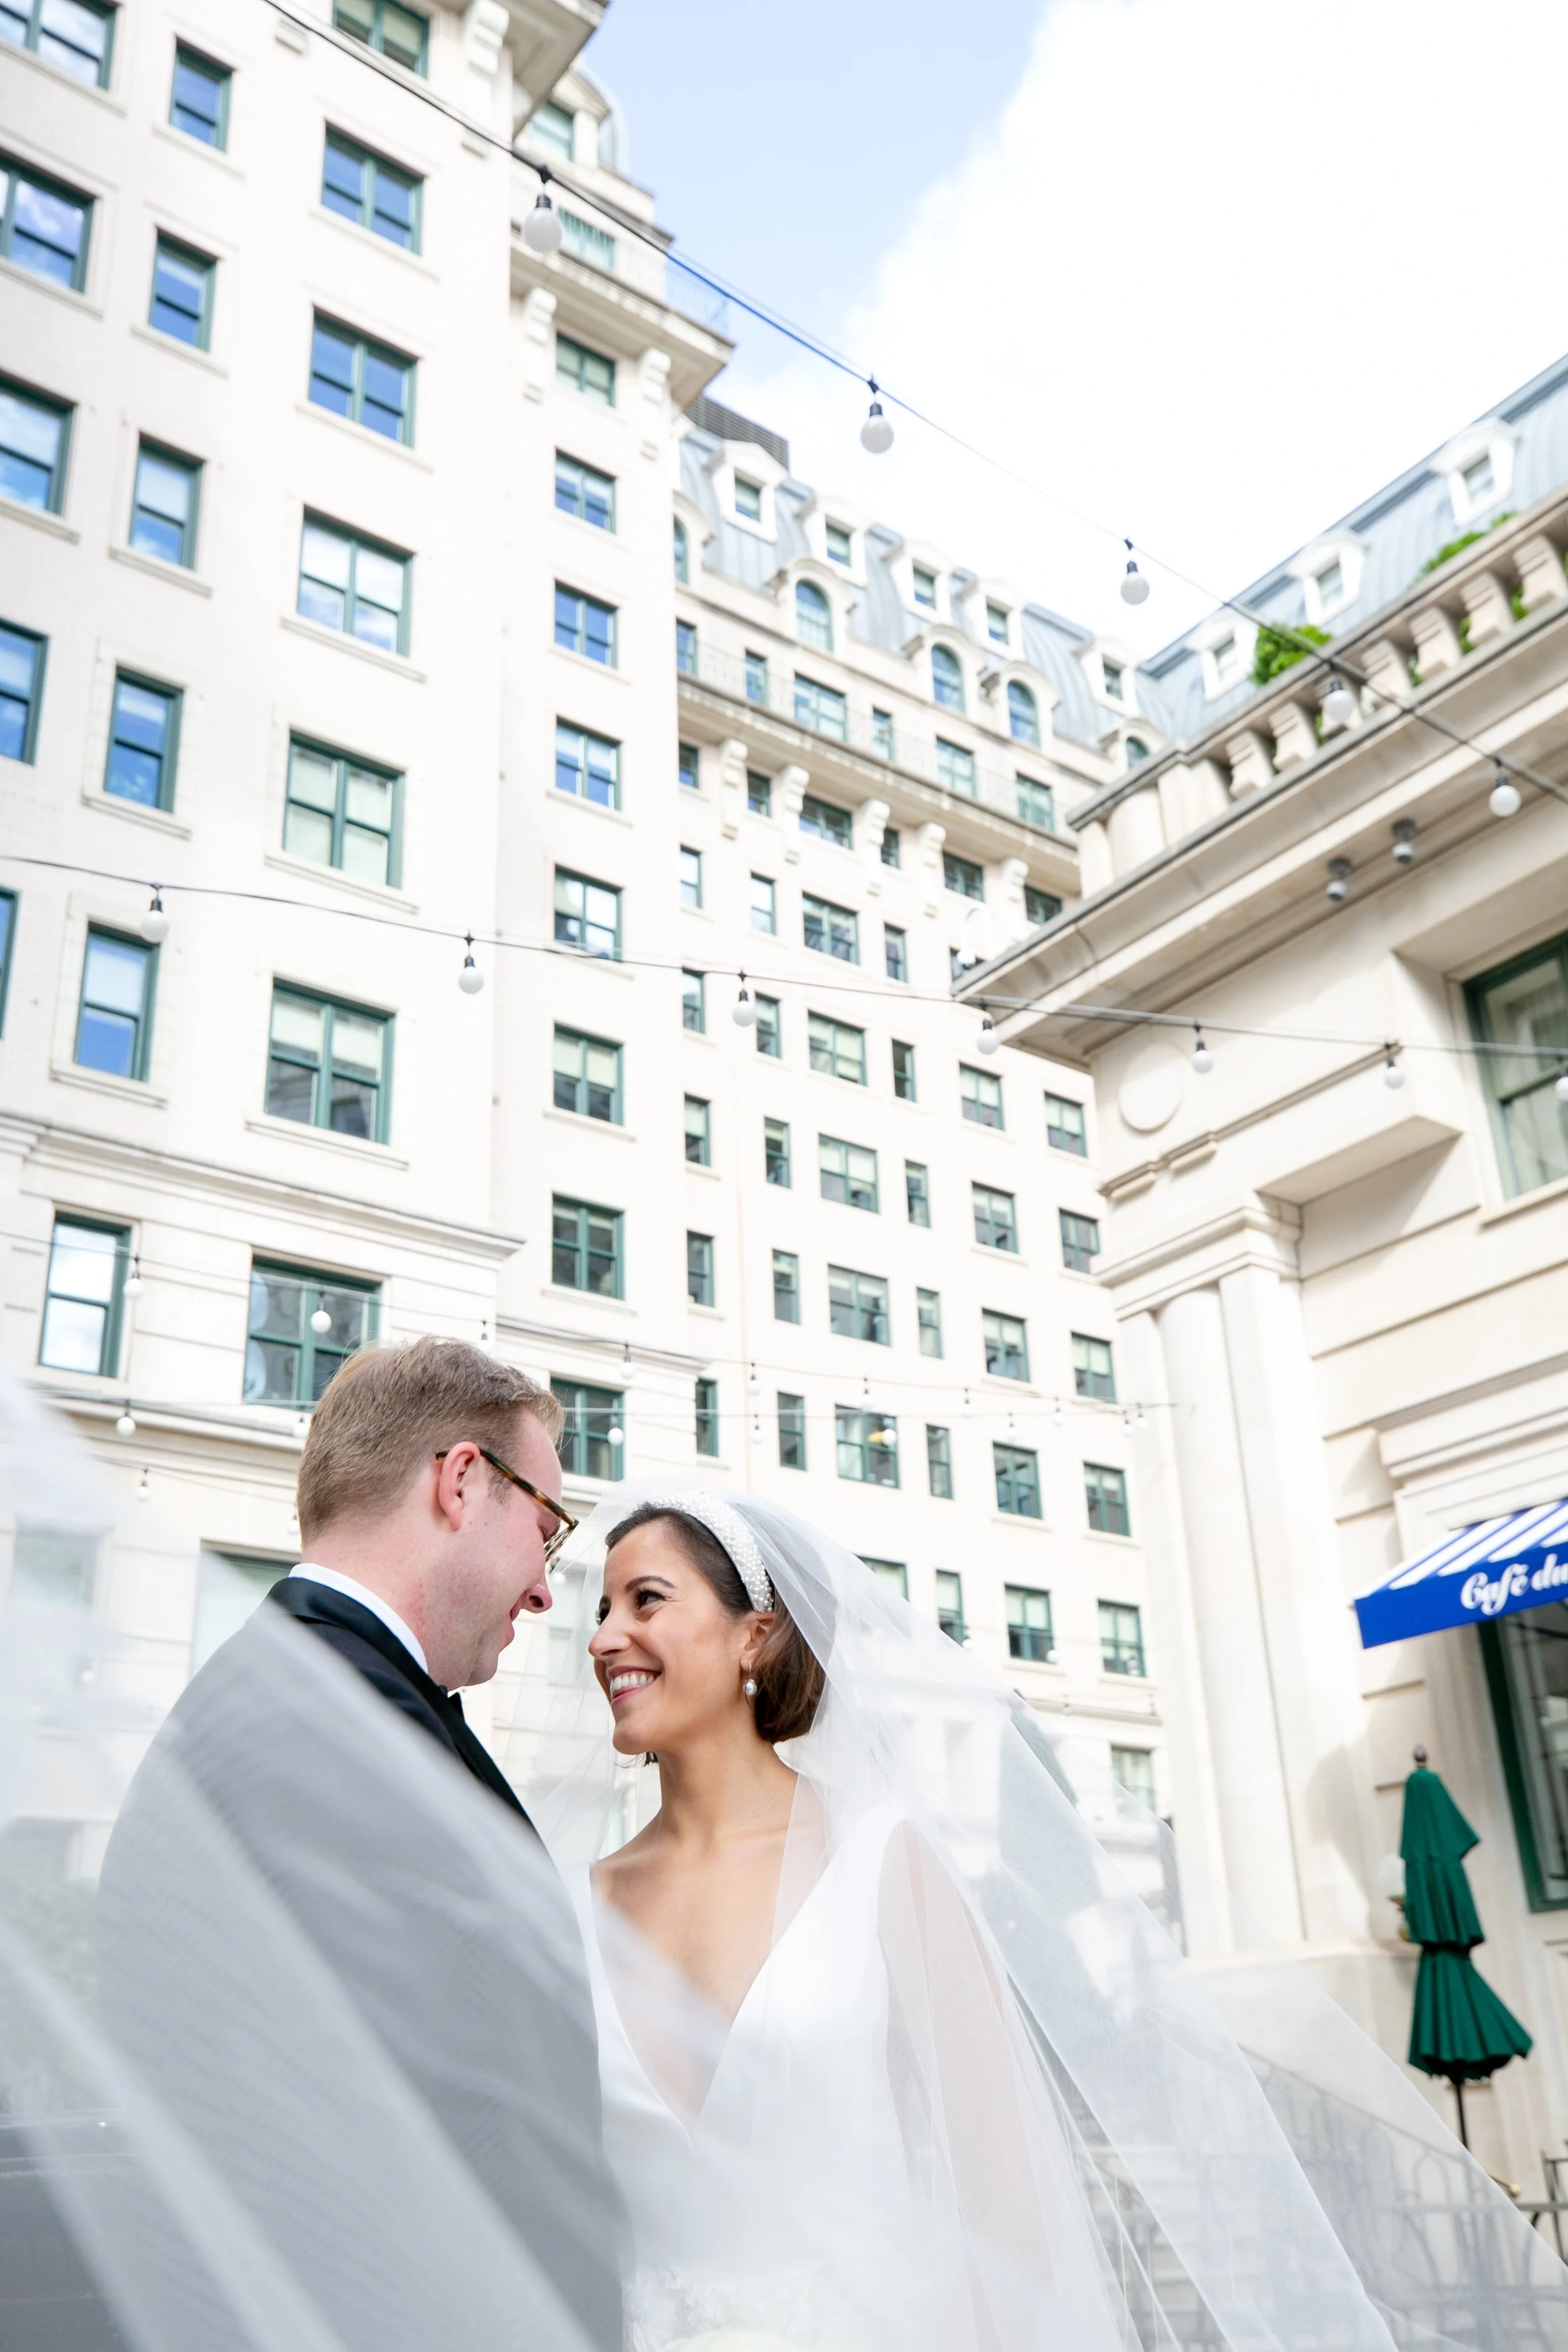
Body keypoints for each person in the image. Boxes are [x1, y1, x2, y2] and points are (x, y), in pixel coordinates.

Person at [514, 1476, 1568, 2352]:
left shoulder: (885, 1862)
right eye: (602, 1608)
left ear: (757, 1632)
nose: (607, 1637)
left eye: (645, 1600)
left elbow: (1003, 2199)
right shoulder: (576, 1896)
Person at [97, 1338, 624, 2352]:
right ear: (463, 1481)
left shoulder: (304, 1694)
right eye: (546, 1532)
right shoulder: (330, 1737)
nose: (546, 1590)